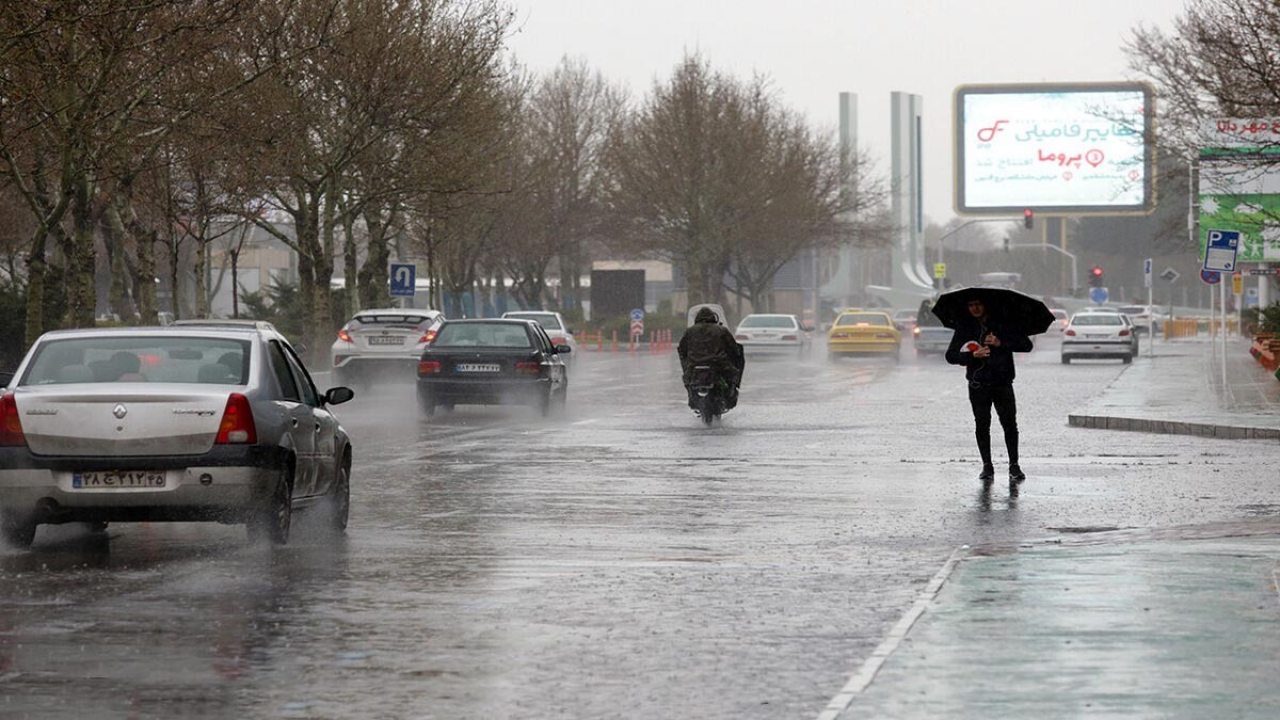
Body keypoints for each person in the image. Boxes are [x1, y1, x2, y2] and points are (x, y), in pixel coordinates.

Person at [944, 297, 1032, 483]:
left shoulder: (1003, 324)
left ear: (986, 305)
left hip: (1002, 382)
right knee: (982, 425)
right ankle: (987, 466)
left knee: (1009, 424)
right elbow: (950, 356)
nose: (974, 308)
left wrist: (1001, 343)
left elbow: (1026, 345)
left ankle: (1014, 465)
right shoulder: (965, 327)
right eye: (970, 305)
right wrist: (972, 355)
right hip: (978, 385)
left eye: (978, 304)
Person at [677, 307, 744, 409]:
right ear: (713, 317)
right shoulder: (721, 330)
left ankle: (692, 396)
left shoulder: (690, 331)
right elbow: (734, 349)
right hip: (720, 364)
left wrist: (688, 363)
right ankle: (731, 392)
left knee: (687, 379)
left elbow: (682, 349)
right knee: (732, 376)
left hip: (694, 365)